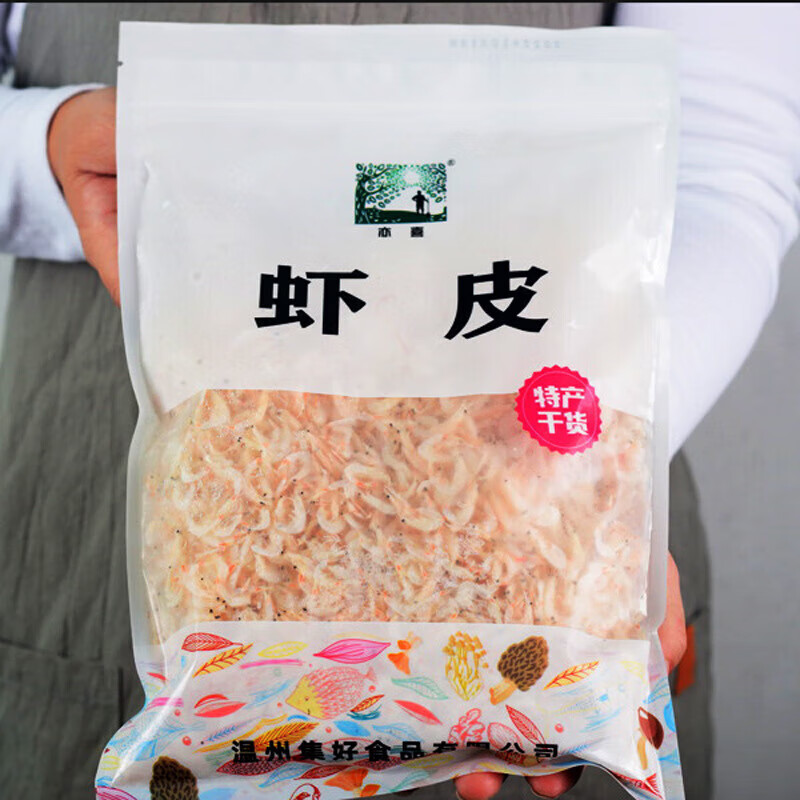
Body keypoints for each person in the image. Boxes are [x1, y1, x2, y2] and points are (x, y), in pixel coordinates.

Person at [1, 4, 798, 799]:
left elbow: (729, 166)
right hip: (111, 474)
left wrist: (598, 485)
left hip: (547, 458)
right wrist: (45, 147)